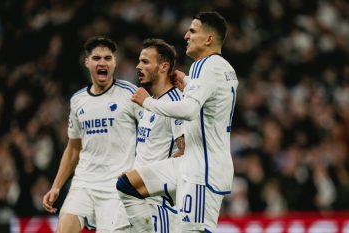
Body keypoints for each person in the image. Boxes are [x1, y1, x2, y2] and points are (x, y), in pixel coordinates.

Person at [117, 11, 238, 233]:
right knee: (127, 184)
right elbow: (213, 101)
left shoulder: (205, 65)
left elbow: (189, 110)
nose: (186, 36)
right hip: (193, 161)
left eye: (192, 31)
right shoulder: (225, 69)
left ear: (209, 39)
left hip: (203, 168)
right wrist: (189, 82)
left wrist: (147, 103)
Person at [42, 36, 142, 233]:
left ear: (114, 62)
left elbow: (150, 134)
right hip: (84, 183)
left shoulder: (131, 94)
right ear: (87, 62)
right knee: (65, 227)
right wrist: (56, 186)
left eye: (107, 58)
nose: (102, 62)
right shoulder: (78, 100)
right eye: (96, 58)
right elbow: (73, 149)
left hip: (116, 187)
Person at [134, 38, 185, 232]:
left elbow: (186, 151)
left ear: (164, 67)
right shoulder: (149, 102)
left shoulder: (175, 103)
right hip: (137, 200)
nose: (139, 66)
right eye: (139, 61)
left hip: (157, 205)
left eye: (146, 61)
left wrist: (149, 175)